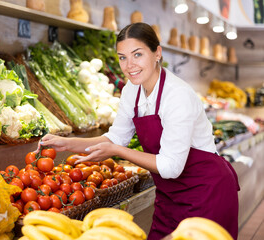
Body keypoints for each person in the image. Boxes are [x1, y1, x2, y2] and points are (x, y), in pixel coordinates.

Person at [39, 22, 240, 240]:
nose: (129, 65)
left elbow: (171, 166)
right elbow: (116, 137)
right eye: (122, 57)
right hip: (168, 196)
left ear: (157, 53)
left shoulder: (177, 95)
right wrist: (67, 143)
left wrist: (117, 150)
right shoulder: (132, 90)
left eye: (137, 54)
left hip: (206, 192)